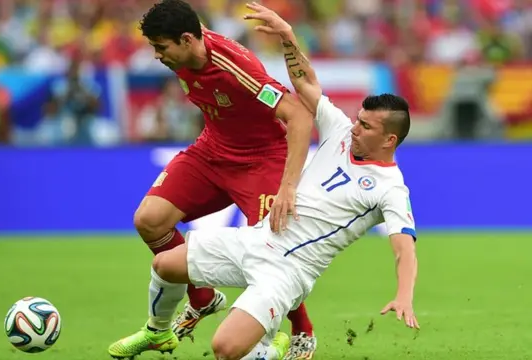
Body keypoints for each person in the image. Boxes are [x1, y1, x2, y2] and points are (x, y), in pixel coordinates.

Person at [108, 3, 420, 360]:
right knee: (163, 262)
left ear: (389, 140)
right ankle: (168, 325)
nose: (355, 126)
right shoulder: (340, 130)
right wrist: (288, 36)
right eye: (358, 119)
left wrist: (404, 295)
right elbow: (305, 85)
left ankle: (298, 335)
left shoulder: (390, 188)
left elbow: (404, 248)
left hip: (288, 264)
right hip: (252, 237)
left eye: (365, 125)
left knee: (225, 349)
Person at [121, 0, 318, 357]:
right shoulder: (184, 53)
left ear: (185, 40)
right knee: (149, 220)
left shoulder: (234, 66)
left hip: (261, 159)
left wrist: (288, 186)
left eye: (160, 47)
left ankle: (302, 331)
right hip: (212, 151)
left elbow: (300, 117)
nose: (156, 55)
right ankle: (203, 297)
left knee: (271, 252)